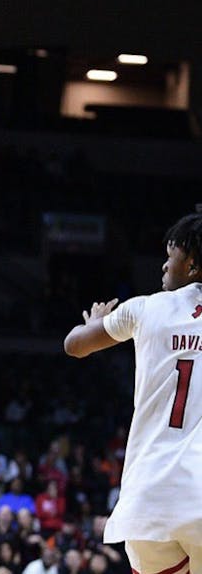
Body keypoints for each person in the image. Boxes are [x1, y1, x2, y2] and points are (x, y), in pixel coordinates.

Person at [63, 209, 202, 574]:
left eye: (170, 258)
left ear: (191, 266)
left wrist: (93, 323)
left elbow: (74, 346)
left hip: (150, 501)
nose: (162, 268)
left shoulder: (144, 309)